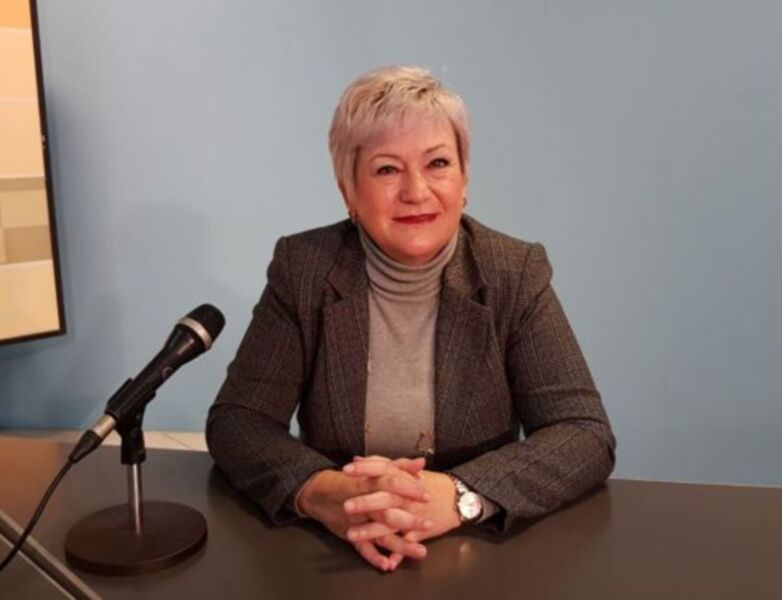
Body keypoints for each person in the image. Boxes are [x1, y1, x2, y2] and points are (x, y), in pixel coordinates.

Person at [206, 65, 615, 572]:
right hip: (339, 549)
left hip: (478, 553)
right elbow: (238, 420)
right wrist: (321, 490)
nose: (416, 191)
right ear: (348, 190)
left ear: (464, 178)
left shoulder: (513, 271)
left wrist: (461, 495)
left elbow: (584, 432)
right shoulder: (304, 268)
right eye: (386, 169)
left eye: (438, 163)